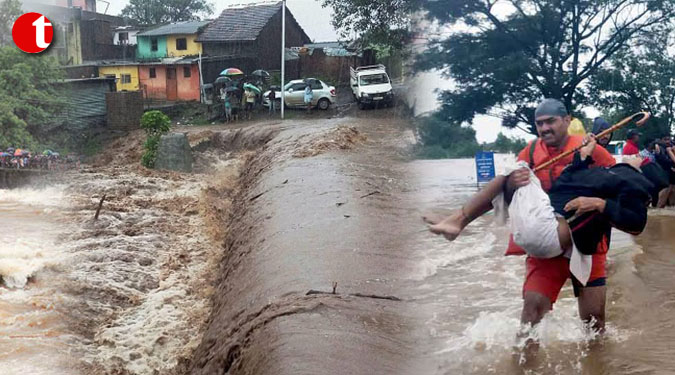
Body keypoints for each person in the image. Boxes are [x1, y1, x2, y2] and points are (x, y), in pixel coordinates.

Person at [429, 99, 617, 342]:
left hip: (587, 243)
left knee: (595, 325)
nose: (545, 128)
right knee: (530, 316)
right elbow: (507, 199)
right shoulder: (528, 152)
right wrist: (511, 184)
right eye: (540, 123)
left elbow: (624, 191)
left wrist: (597, 203)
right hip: (547, 245)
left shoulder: (593, 150)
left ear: (567, 121)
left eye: (551, 121)